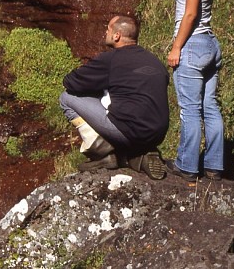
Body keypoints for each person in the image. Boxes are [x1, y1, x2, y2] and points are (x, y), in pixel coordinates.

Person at [127, 0, 223, 182]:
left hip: (192, 45)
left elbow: (190, 14)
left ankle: (187, 166)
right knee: (210, 107)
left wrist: (176, 47)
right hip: (211, 45)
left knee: (190, 110)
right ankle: (214, 166)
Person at [59, 15, 169, 180]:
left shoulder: (112, 59)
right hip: (158, 133)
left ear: (117, 35)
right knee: (119, 101)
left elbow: (71, 83)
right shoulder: (154, 60)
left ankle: (103, 152)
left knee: (66, 98)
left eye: (108, 29)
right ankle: (137, 155)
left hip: (130, 130)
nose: (106, 32)